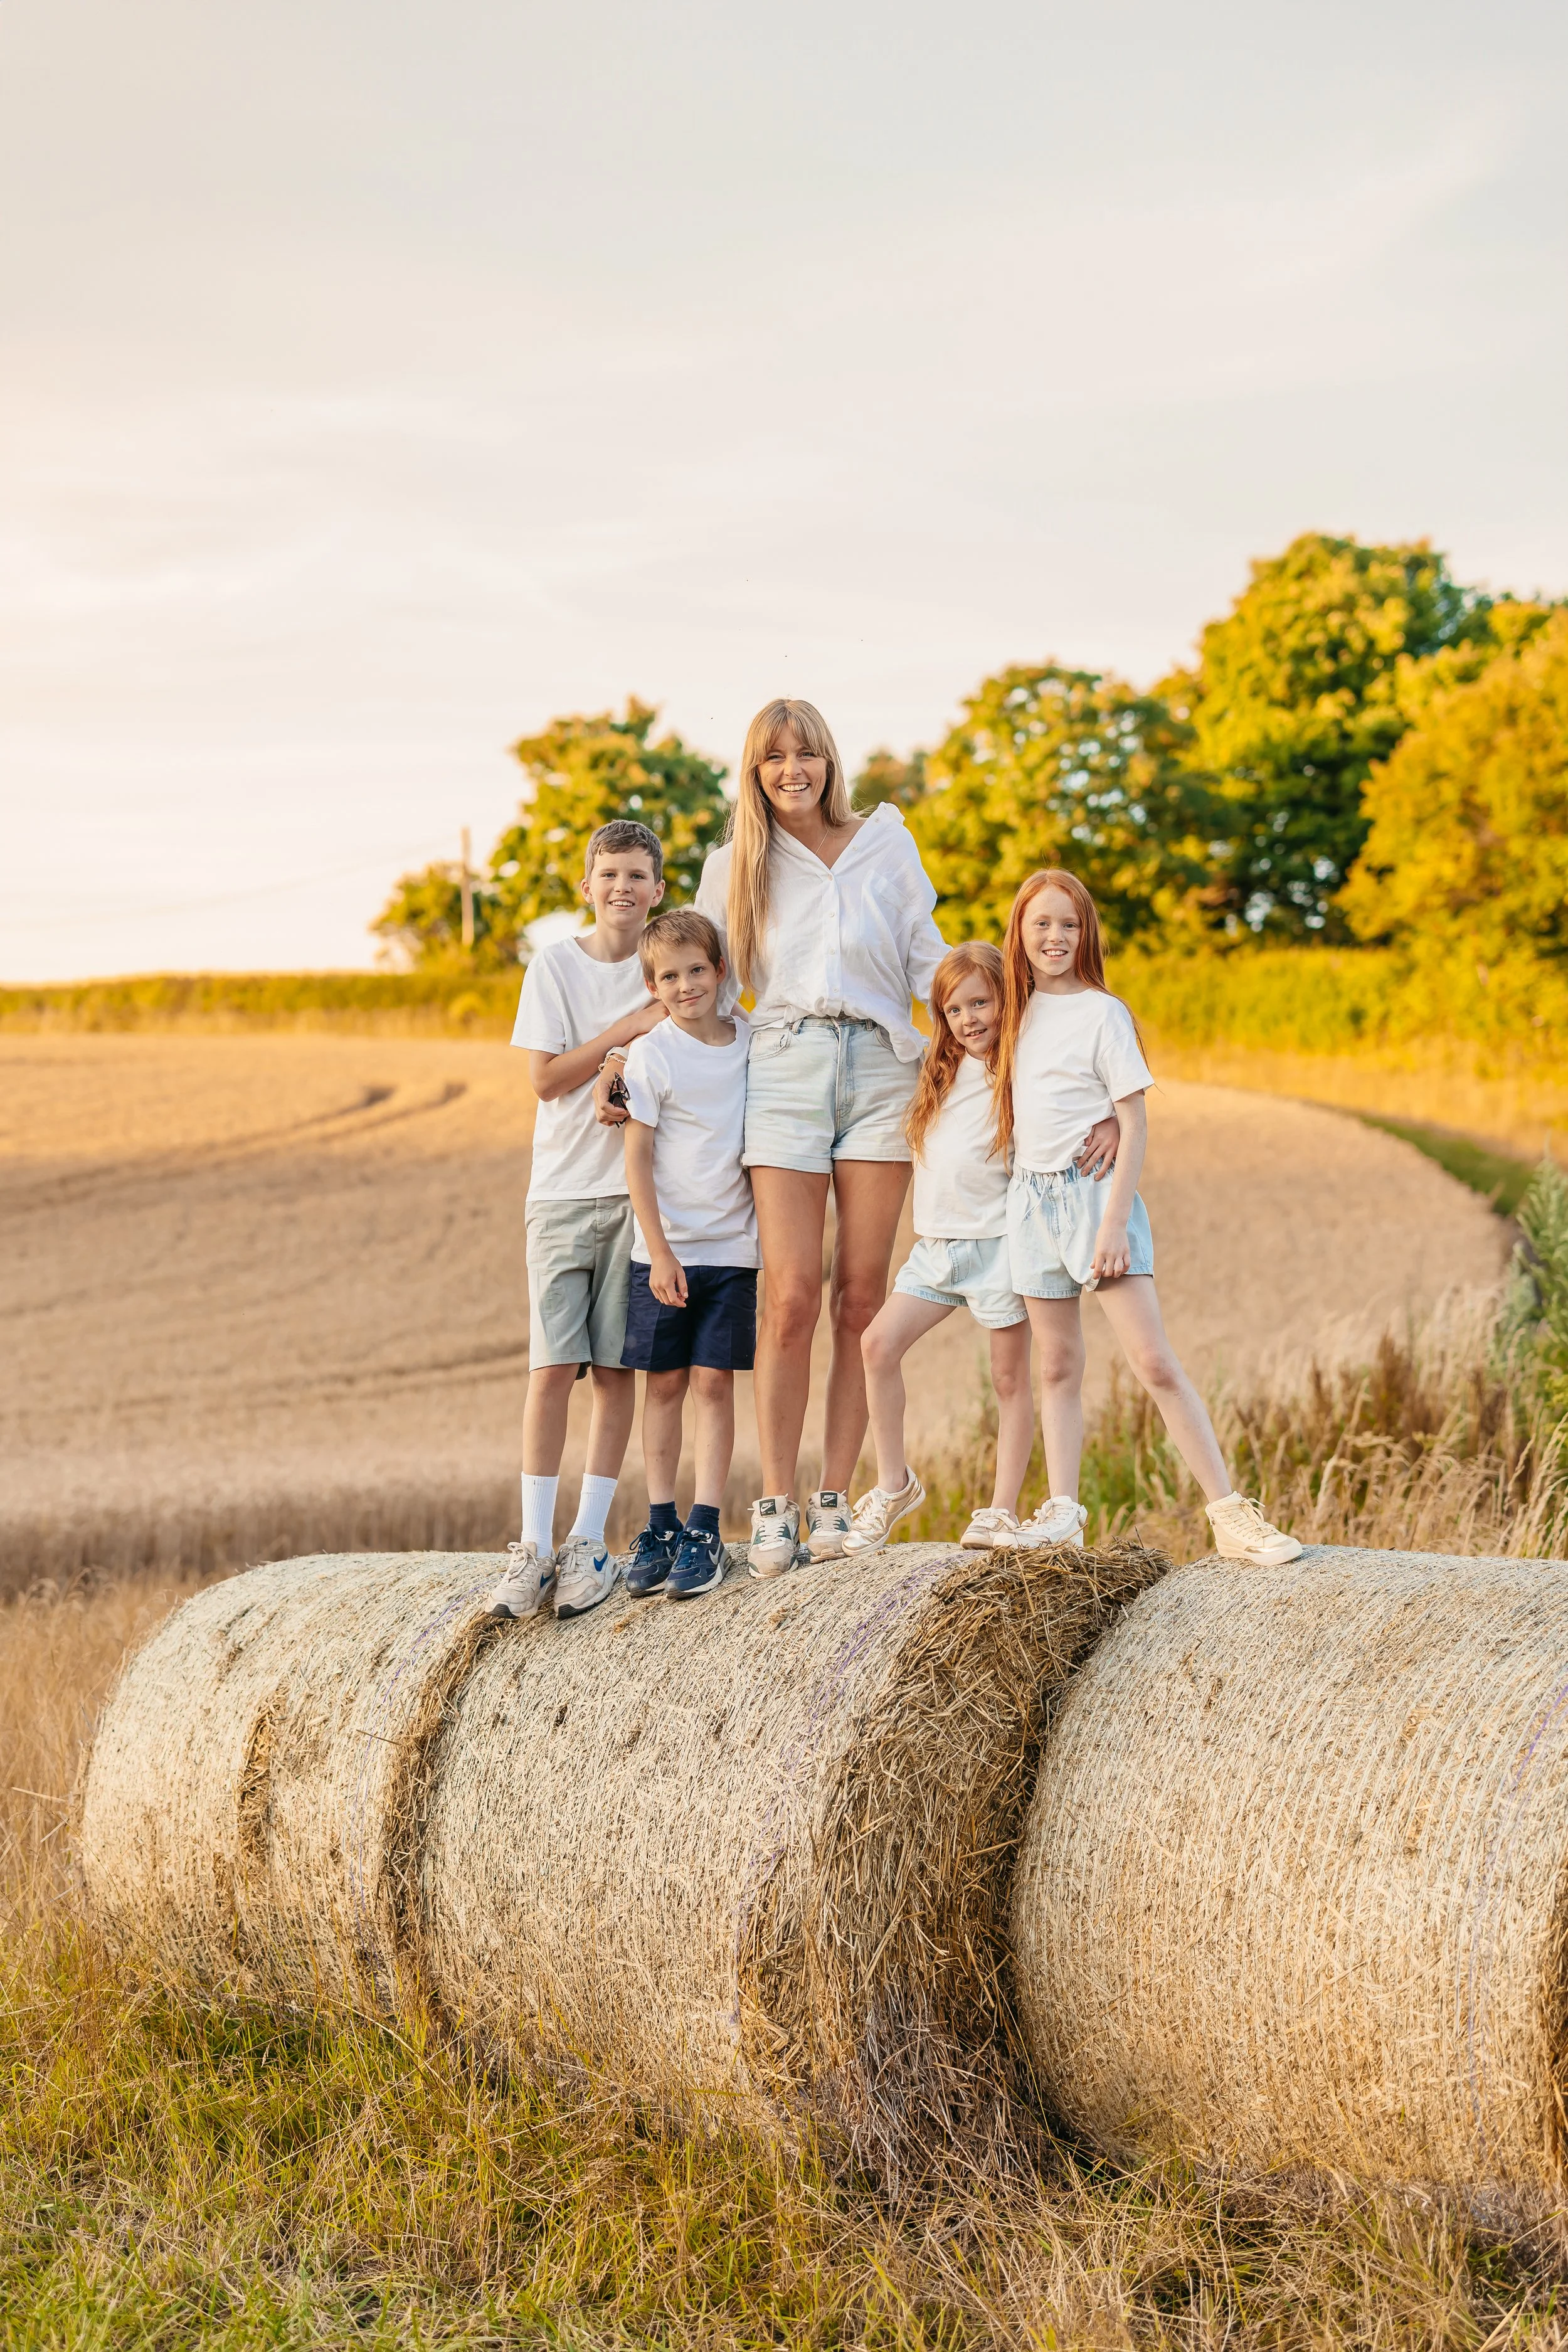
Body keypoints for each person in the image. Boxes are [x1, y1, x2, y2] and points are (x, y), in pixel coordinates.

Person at [599, 696, 945, 1579]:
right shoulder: (736, 862)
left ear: (830, 760)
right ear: (754, 771)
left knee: (861, 1300)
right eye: (774, 757)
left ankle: (836, 1496)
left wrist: (1005, 1018)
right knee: (789, 1297)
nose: (793, 770)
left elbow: (923, 957)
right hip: (783, 1063)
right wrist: (625, 1058)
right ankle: (776, 1502)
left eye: (808, 754)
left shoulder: (885, 842)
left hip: (878, 1069)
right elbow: (692, 983)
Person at [994, 866, 1302, 1566]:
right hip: (1029, 1203)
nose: (1054, 936)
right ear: (1018, 930)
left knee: (1155, 1363)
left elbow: (1133, 1122)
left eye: (1068, 924)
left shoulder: (1103, 1011)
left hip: (1092, 1200)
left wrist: (1109, 1224)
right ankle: (1063, 1513)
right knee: (1056, 1367)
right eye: (1040, 923)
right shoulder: (1014, 1011)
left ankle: (1229, 1514)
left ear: (1087, 934)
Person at [487, 820, 670, 1625]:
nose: (622, 887)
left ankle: (589, 1541)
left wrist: (638, 1043)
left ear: (658, 889)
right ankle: (533, 1545)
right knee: (552, 1368)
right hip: (561, 1194)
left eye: (637, 875)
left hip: (638, 1200)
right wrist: (621, 1035)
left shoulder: (671, 969)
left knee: (617, 1372)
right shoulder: (555, 967)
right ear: (587, 886)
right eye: (609, 874)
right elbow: (546, 1079)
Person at [842, 941, 1049, 1554]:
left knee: (1009, 1380)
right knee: (876, 1345)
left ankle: (1000, 1510)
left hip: (1000, 1250)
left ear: (1005, 1002)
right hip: (936, 1250)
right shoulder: (936, 1068)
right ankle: (895, 1483)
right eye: (954, 1009)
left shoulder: (1017, 1069)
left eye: (981, 1003)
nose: (969, 1019)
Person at [616, 908, 758, 1601]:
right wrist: (661, 1251)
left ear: (720, 971)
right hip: (663, 1256)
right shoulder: (653, 1054)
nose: (685, 985)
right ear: (653, 987)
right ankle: (661, 1524)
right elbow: (636, 1156)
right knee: (665, 1386)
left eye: (696, 970)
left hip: (733, 1249)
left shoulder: (750, 1041)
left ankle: (706, 1526)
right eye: (668, 977)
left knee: (713, 1384)